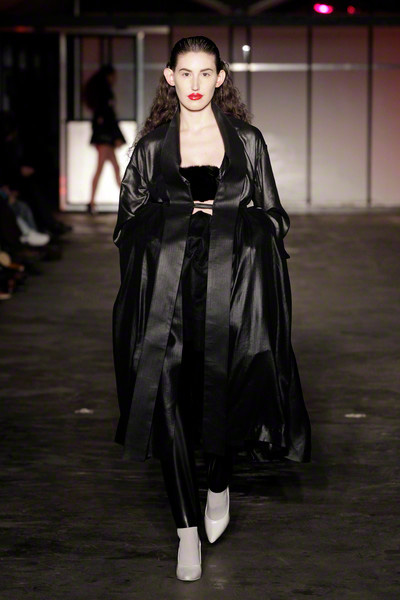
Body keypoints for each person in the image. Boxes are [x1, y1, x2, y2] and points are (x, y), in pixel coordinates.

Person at [112, 36, 311, 582]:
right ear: (169, 77)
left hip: (231, 285)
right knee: (168, 398)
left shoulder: (246, 140)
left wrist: (224, 216)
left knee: (225, 383)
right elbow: (126, 226)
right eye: (186, 73)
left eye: (206, 73)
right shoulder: (152, 147)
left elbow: (274, 216)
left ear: (221, 77)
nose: (195, 84)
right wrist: (181, 213)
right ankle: (185, 531)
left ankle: (219, 481)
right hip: (166, 293)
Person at [83, 65, 126, 214]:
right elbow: (109, 117)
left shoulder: (101, 94)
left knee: (113, 168)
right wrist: (117, 137)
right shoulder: (105, 94)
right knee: (105, 168)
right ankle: (92, 202)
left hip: (103, 137)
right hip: (105, 138)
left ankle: (126, 200)